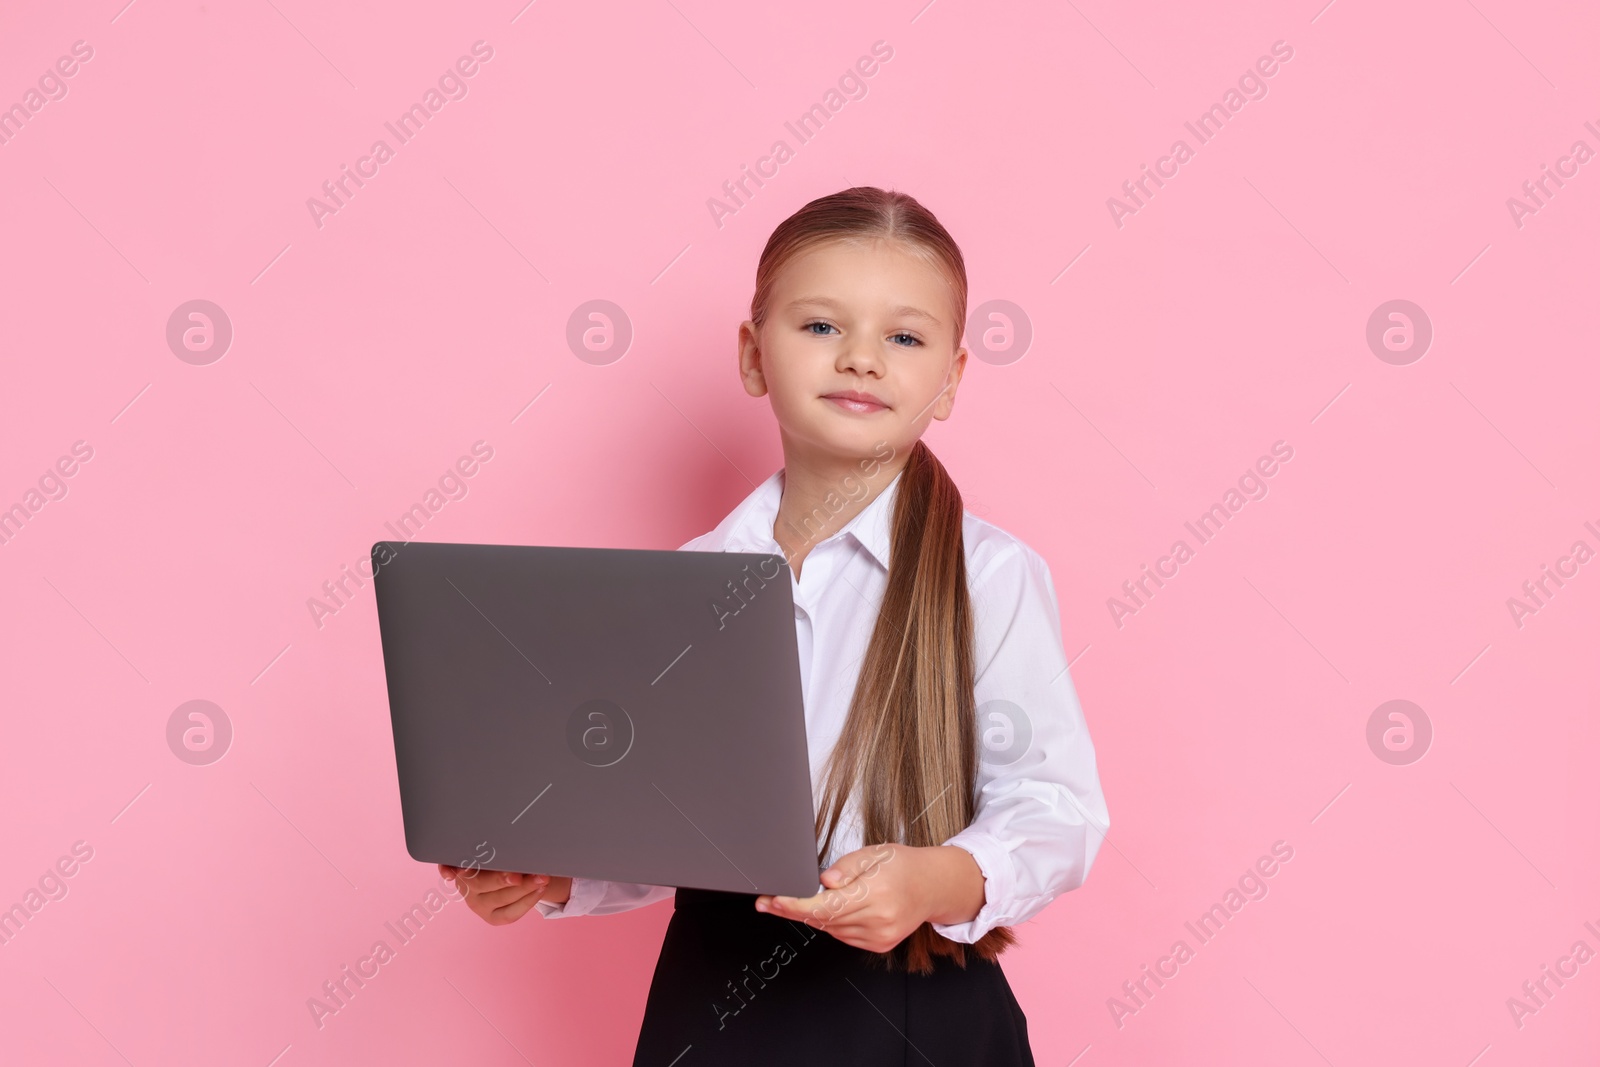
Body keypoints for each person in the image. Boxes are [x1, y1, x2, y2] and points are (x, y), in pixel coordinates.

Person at [439, 185, 1110, 1065]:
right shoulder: (687, 581)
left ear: (950, 379)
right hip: (714, 1009)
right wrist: (553, 877)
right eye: (822, 327)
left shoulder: (989, 577)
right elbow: (669, 821)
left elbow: (1058, 811)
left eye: (903, 337)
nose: (862, 359)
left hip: (917, 1012)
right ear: (755, 356)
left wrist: (932, 879)